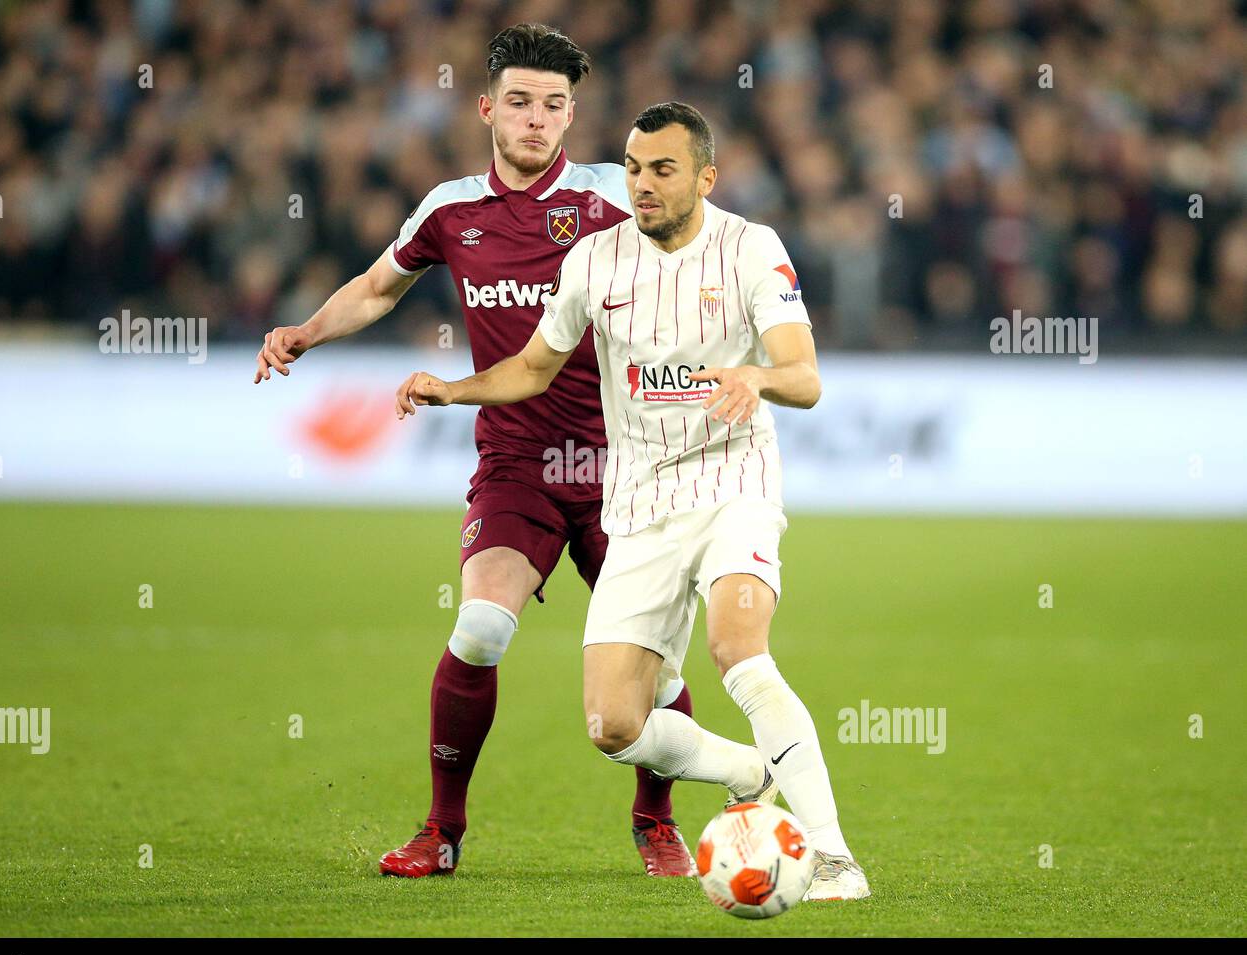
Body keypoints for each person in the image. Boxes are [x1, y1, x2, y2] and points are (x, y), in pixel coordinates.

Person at [255, 25, 705, 878]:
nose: (539, 121)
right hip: (516, 464)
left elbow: (711, 250)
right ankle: (442, 830)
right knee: (480, 626)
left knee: (652, 661)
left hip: (628, 465)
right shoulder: (452, 209)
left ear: (574, 115)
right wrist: (308, 332)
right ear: (488, 106)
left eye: (557, 106)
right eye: (524, 103)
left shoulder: (617, 194)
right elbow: (380, 286)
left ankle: (655, 820)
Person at [395, 102, 869, 901]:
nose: (642, 185)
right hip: (641, 504)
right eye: (634, 168)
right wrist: (454, 389)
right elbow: (535, 367)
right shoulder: (593, 260)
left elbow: (806, 377)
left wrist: (755, 376)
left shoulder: (752, 249)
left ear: (705, 178)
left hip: (732, 487)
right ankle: (750, 770)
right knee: (614, 727)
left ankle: (832, 856)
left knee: (737, 650)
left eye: (663, 170)